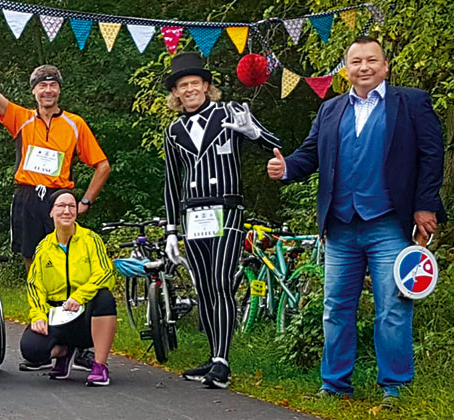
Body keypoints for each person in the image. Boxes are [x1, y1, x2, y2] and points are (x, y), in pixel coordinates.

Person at [267, 36, 446, 408]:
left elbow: (432, 155)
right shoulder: (330, 109)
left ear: (385, 66)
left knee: (393, 307)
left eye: (371, 60)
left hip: (389, 223)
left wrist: (425, 206)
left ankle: (395, 387)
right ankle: (334, 385)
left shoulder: (411, 103)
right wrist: (286, 169)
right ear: (345, 69)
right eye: (355, 61)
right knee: (335, 307)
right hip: (341, 225)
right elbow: (310, 154)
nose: (363, 67)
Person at [162, 52, 281, 389]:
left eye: (194, 83)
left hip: (226, 210)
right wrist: (171, 229)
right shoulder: (173, 131)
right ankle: (214, 356)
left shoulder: (230, 114)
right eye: (182, 85)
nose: (189, 90)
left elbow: (276, 147)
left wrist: (253, 133)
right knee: (203, 287)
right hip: (192, 215)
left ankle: (223, 362)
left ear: (206, 86)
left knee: (220, 281)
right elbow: (171, 182)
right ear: (176, 93)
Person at [0, 33, 111, 270]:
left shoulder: (75, 124)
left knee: (65, 254)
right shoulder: (21, 118)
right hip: (27, 195)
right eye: (42, 86)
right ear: (34, 92)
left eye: (53, 85)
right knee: (31, 255)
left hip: (59, 195)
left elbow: (103, 166)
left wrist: (86, 201)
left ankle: (66, 303)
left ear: (59, 90)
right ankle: (38, 302)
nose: (48, 90)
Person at [21, 190, 117, 386]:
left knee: (105, 298)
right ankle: (65, 352)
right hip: (57, 315)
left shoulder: (91, 239)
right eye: (61, 206)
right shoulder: (43, 248)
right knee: (31, 350)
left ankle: (100, 365)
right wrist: (38, 315)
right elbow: (34, 286)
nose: (66, 211)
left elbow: (106, 273)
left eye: (71, 206)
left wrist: (80, 296)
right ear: (51, 212)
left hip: (86, 315)